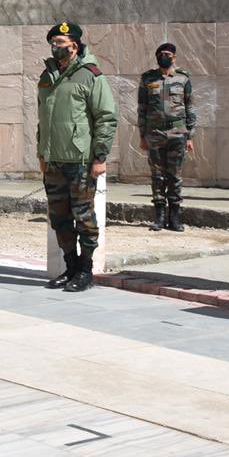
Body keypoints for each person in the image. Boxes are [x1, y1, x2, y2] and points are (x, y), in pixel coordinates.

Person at [37, 22, 118, 292]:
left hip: (81, 161)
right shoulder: (48, 75)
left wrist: (100, 157)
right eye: (53, 42)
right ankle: (69, 267)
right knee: (59, 218)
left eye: (60, 42)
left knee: (84, 218)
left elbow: (106, 118)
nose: (55, 46)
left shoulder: (91, 75)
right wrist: (42, 152)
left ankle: (85, 270)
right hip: (54, 161)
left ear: (75, 45)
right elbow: (43, 119)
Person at [138, 42, 196, 232]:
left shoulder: (183, 79)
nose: (165, 56)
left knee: (175, 176)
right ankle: (160, 217)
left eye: (168, 54)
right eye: (161, 53)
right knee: (157, 176)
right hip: (155, 134)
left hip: (178, 133)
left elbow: (190, 107)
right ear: (157, 57)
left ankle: (175, 217)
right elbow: (142, 109)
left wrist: (190, 135)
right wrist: (142, 135)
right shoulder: (147, 79)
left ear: (174, 57)